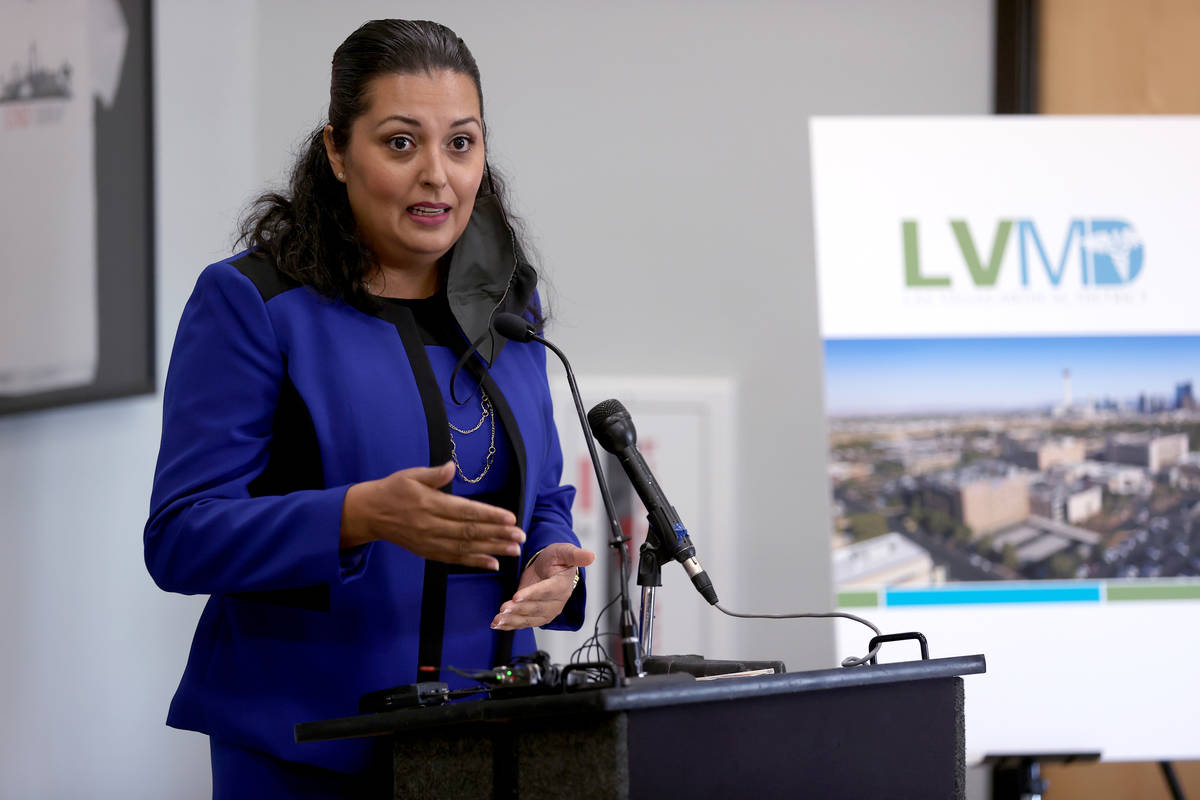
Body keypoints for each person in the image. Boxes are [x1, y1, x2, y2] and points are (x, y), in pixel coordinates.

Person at [144, 19, 594, 797]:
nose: (438, 176)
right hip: (307, 750)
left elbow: (543, 492)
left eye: (461, 143)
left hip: (489, 737)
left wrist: (548, 557)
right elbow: (181, 537)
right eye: (399, 143)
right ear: (336, 152)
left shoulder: (509, 301)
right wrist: (358, 515)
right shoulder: (256, 303)